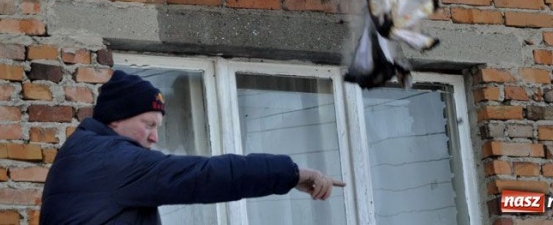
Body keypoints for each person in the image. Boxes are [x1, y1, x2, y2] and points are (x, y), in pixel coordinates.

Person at [39, 70, 345, 225]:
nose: (154, 137)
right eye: (149, 124)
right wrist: (293, 174)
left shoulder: (89, 154)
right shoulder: (110, 160)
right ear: (116, 120)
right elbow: (204, 175)